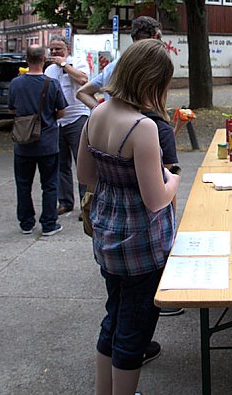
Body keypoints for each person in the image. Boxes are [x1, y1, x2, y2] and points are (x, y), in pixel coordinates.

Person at [76, 39, 180, 395]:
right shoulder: (142, 127)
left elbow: (85, 176)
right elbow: (155, 199)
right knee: (135, 331)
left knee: (115, 317)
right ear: (152, 82)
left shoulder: (97, 114)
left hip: (107, 237)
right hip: (142, 244)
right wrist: (174, 179)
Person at [8, 45, 68, 236]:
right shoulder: (51, 84)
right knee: (50, 184)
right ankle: (49, 224)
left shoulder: (16, 83)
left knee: (23, 184)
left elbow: (11, 110)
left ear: (26, 59)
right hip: (48, 142)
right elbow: (61, 111)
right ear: (44, 59)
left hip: (23, 143)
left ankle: (26, 222)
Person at [44, 35, 90, 216]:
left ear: (67, 49)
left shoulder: (77, 62)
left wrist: (64, 65)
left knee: (83, 163)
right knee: (61, 164)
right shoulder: (49, 70)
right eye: (52, 49)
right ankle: (65, 202)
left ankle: (86, 204)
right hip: (57, 121)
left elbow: (83, 80)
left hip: (77, 118)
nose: (54, 52)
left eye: (58, 49)